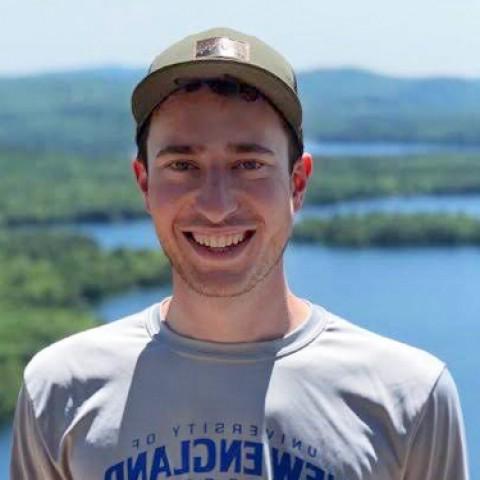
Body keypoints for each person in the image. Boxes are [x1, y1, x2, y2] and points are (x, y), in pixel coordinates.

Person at [11, 27, 469, 480]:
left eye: (248, 165)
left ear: (297, 183)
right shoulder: (60, 391)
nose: (216, 205)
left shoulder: (408, 399)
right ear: (145, 184)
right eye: (182, 165)